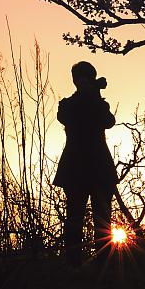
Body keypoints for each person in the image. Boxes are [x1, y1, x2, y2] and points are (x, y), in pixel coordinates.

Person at [54, 60, 119, 261]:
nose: (82, 82)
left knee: (102, 220)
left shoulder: (98, 103)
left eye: (86, 79)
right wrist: (91, 94)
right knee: (74, 218)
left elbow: (109, 122)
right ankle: (73, 263)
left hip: (97, 168)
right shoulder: (68, 104)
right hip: (77, 169)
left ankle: (104, 263)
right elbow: (66, 116)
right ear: (75, 81)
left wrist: (94, 95)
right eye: (80, 79)